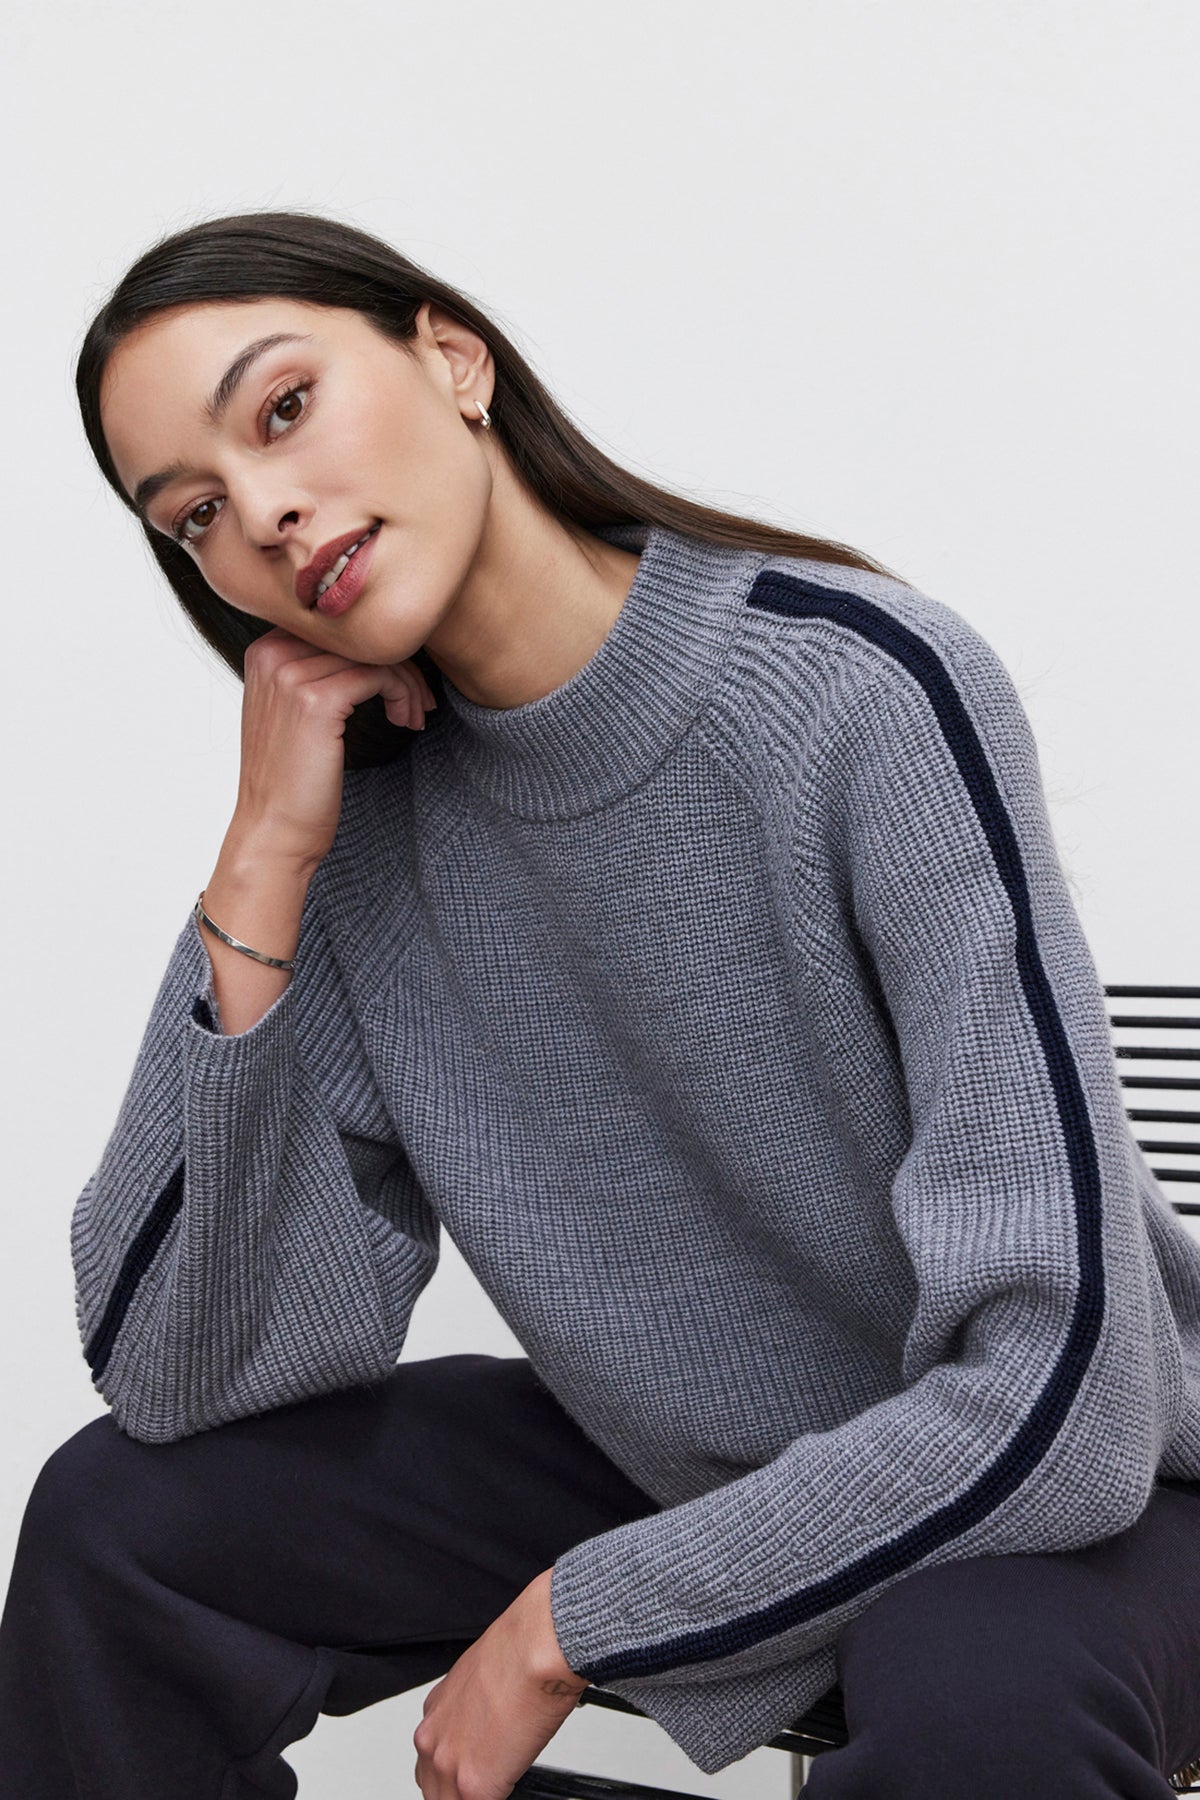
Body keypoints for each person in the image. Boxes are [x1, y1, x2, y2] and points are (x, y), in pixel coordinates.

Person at [1, 208, 1199, 1800]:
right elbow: (174, 1371)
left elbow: (1066, 1386)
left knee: (986, 1719)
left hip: (1055, 1483)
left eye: (282, 408)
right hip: (664, 1452)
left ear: (453, 358)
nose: (268, 515)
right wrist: (268, 850)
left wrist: (571, 1622)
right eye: (197, 513)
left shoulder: (865, 693)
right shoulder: (349, 836)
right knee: (116, 1533)